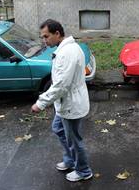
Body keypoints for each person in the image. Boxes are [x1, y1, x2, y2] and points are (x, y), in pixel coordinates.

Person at [31, 19, 93, 182]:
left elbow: (61, 86)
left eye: (46, 36)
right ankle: (71, 160)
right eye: (42, 37)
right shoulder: (65, 48)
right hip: (66, 103)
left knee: (74, 139)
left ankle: (83, 171)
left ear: (57, 33)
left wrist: (41, 103)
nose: (44, 40)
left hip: (71, 105)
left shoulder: (68, 53)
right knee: (58, 128)